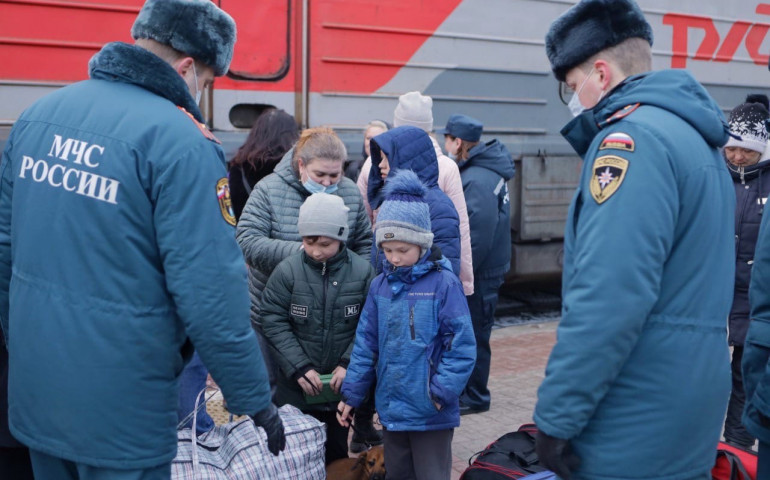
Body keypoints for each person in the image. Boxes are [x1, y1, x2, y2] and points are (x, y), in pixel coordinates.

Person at [0, 0, 286, 478]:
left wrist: (25, 345)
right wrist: (253, 397)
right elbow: (211, 290)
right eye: (207, 80)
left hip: (38, 395)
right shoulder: (184, 143)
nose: (201, 92)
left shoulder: (38, 116)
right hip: (123, 410)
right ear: (187, 67)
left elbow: (6, 251)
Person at [533, 1, 735, 479]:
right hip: (688, 398)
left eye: (572, 86)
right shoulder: (694, 137)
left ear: (601, 75)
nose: (573, 99)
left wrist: (557, 416)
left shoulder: (629, 144)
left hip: (635, 407)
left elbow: (609, 296)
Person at [236, 126, 381, 449]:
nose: (328, 183)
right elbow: (247, 240)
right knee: (278, 394)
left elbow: (362, 241)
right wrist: (301, 256)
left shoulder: (348, 193)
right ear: (301, 165)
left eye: (335, 175)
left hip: (334, 318)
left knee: (327, 394)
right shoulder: (269, 190)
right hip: (276, 316)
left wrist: (353, 275)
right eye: (320, 175)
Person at [337, 169, 476, 480]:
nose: (394, 258)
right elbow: (366, 345)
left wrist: (440, 393)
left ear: (422, 245)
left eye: (403, 250)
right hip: (393, 410)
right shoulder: (380, 287)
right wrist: (351, 395)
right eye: (387, 251)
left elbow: (462, 345)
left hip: (430, 412)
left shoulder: (444, 285)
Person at [260, 193, 374, 464]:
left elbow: (370, 325)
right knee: (295, 459)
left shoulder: (362, 273)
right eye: (309, 242)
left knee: (335, 457)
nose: (316, 251)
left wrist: (348, 364)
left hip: (339, 392)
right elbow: (273, 319)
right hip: (296, 391)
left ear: (341, 237)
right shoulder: (287, 272)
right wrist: (299, 366)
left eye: (325, 244)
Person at [356, 91, 475, 296]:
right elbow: (461, 230)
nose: (381, 165)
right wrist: (464, 284)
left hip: (408, 293)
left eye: (386, 159)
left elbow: (363, 225)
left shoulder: (371, 165)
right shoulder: (447, 167)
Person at [441, 114, 515, 415]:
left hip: (480, 274)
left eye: (447, 140)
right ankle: (470, 392)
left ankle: (475, 396)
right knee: (474, 331)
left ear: (458, 142)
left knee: (473, 334)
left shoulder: (476, 179)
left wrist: (461, 276)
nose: (445, 146)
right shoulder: (484, 171)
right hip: (487, 269)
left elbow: (476, 237)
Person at [722, 94, 770, 449]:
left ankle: (736, 451)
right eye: (732, 149)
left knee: (743, 376)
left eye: (747, 151)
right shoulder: (715, 175)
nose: (737, 157)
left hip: (752, 301)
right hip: (714, 297)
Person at [368, 125, 462, 276]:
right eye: (380, 158)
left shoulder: (438, 207)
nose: (380, 165)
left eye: (387, 158)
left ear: (406, 161)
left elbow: (444, 272)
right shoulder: (393, 201)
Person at [228, 108, 299, 222]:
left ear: (256, 132)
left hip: (248, 230)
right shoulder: (296, 167)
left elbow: (234, 209)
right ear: (291, 134)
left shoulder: (239, 167)